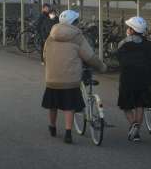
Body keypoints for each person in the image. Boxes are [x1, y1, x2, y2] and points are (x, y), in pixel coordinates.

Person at [42, 9, 105, 144]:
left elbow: (44, 56)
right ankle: (68, 133)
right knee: (69, 106)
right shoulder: (77, 37)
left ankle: (52, 127)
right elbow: (89, 57)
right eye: (76, 21)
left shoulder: (51, 36)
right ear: (73, 23)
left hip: (52, 78)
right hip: (70, 79)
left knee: (53, 105)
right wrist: (102, 67)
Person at [117, 16, 151, 142]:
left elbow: (118, 58)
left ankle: (134, 125)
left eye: (128, 28)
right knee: (140, 104)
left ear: (132, 30)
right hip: (144, 79)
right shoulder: (148, 45)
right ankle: (136, 133)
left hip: (127, 79)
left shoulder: (123, 43)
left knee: (126, 106)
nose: (127, 29)